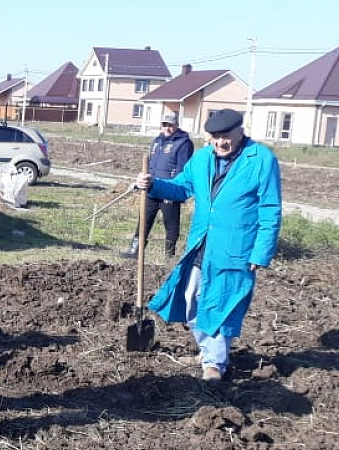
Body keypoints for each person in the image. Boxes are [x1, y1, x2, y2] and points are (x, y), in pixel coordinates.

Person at [136, 108, 282, 383]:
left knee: (220, 302)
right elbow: (181, 188)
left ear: (240, 130)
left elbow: (270, 208)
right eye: (215, 137)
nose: (220, 143)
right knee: (191, 297)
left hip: (236, 247)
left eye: (226, 136)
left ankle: (214, 363)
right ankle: (208, 349)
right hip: (201, 243)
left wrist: (261, 251)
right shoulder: (202, 158)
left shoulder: (261, 159)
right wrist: (153, 184)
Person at [121, 112, 193, 259]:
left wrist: (174, 189)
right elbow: (151, 165)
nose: (167, 128)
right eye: (164, 125)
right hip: (152, 188)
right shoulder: (157, 141)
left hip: (170, 190)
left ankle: (169, 255)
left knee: (171, 224)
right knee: (144, 219)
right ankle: (135, 250)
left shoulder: (184, 143)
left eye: (170, 125)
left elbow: (182, 170)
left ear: (176, 125)